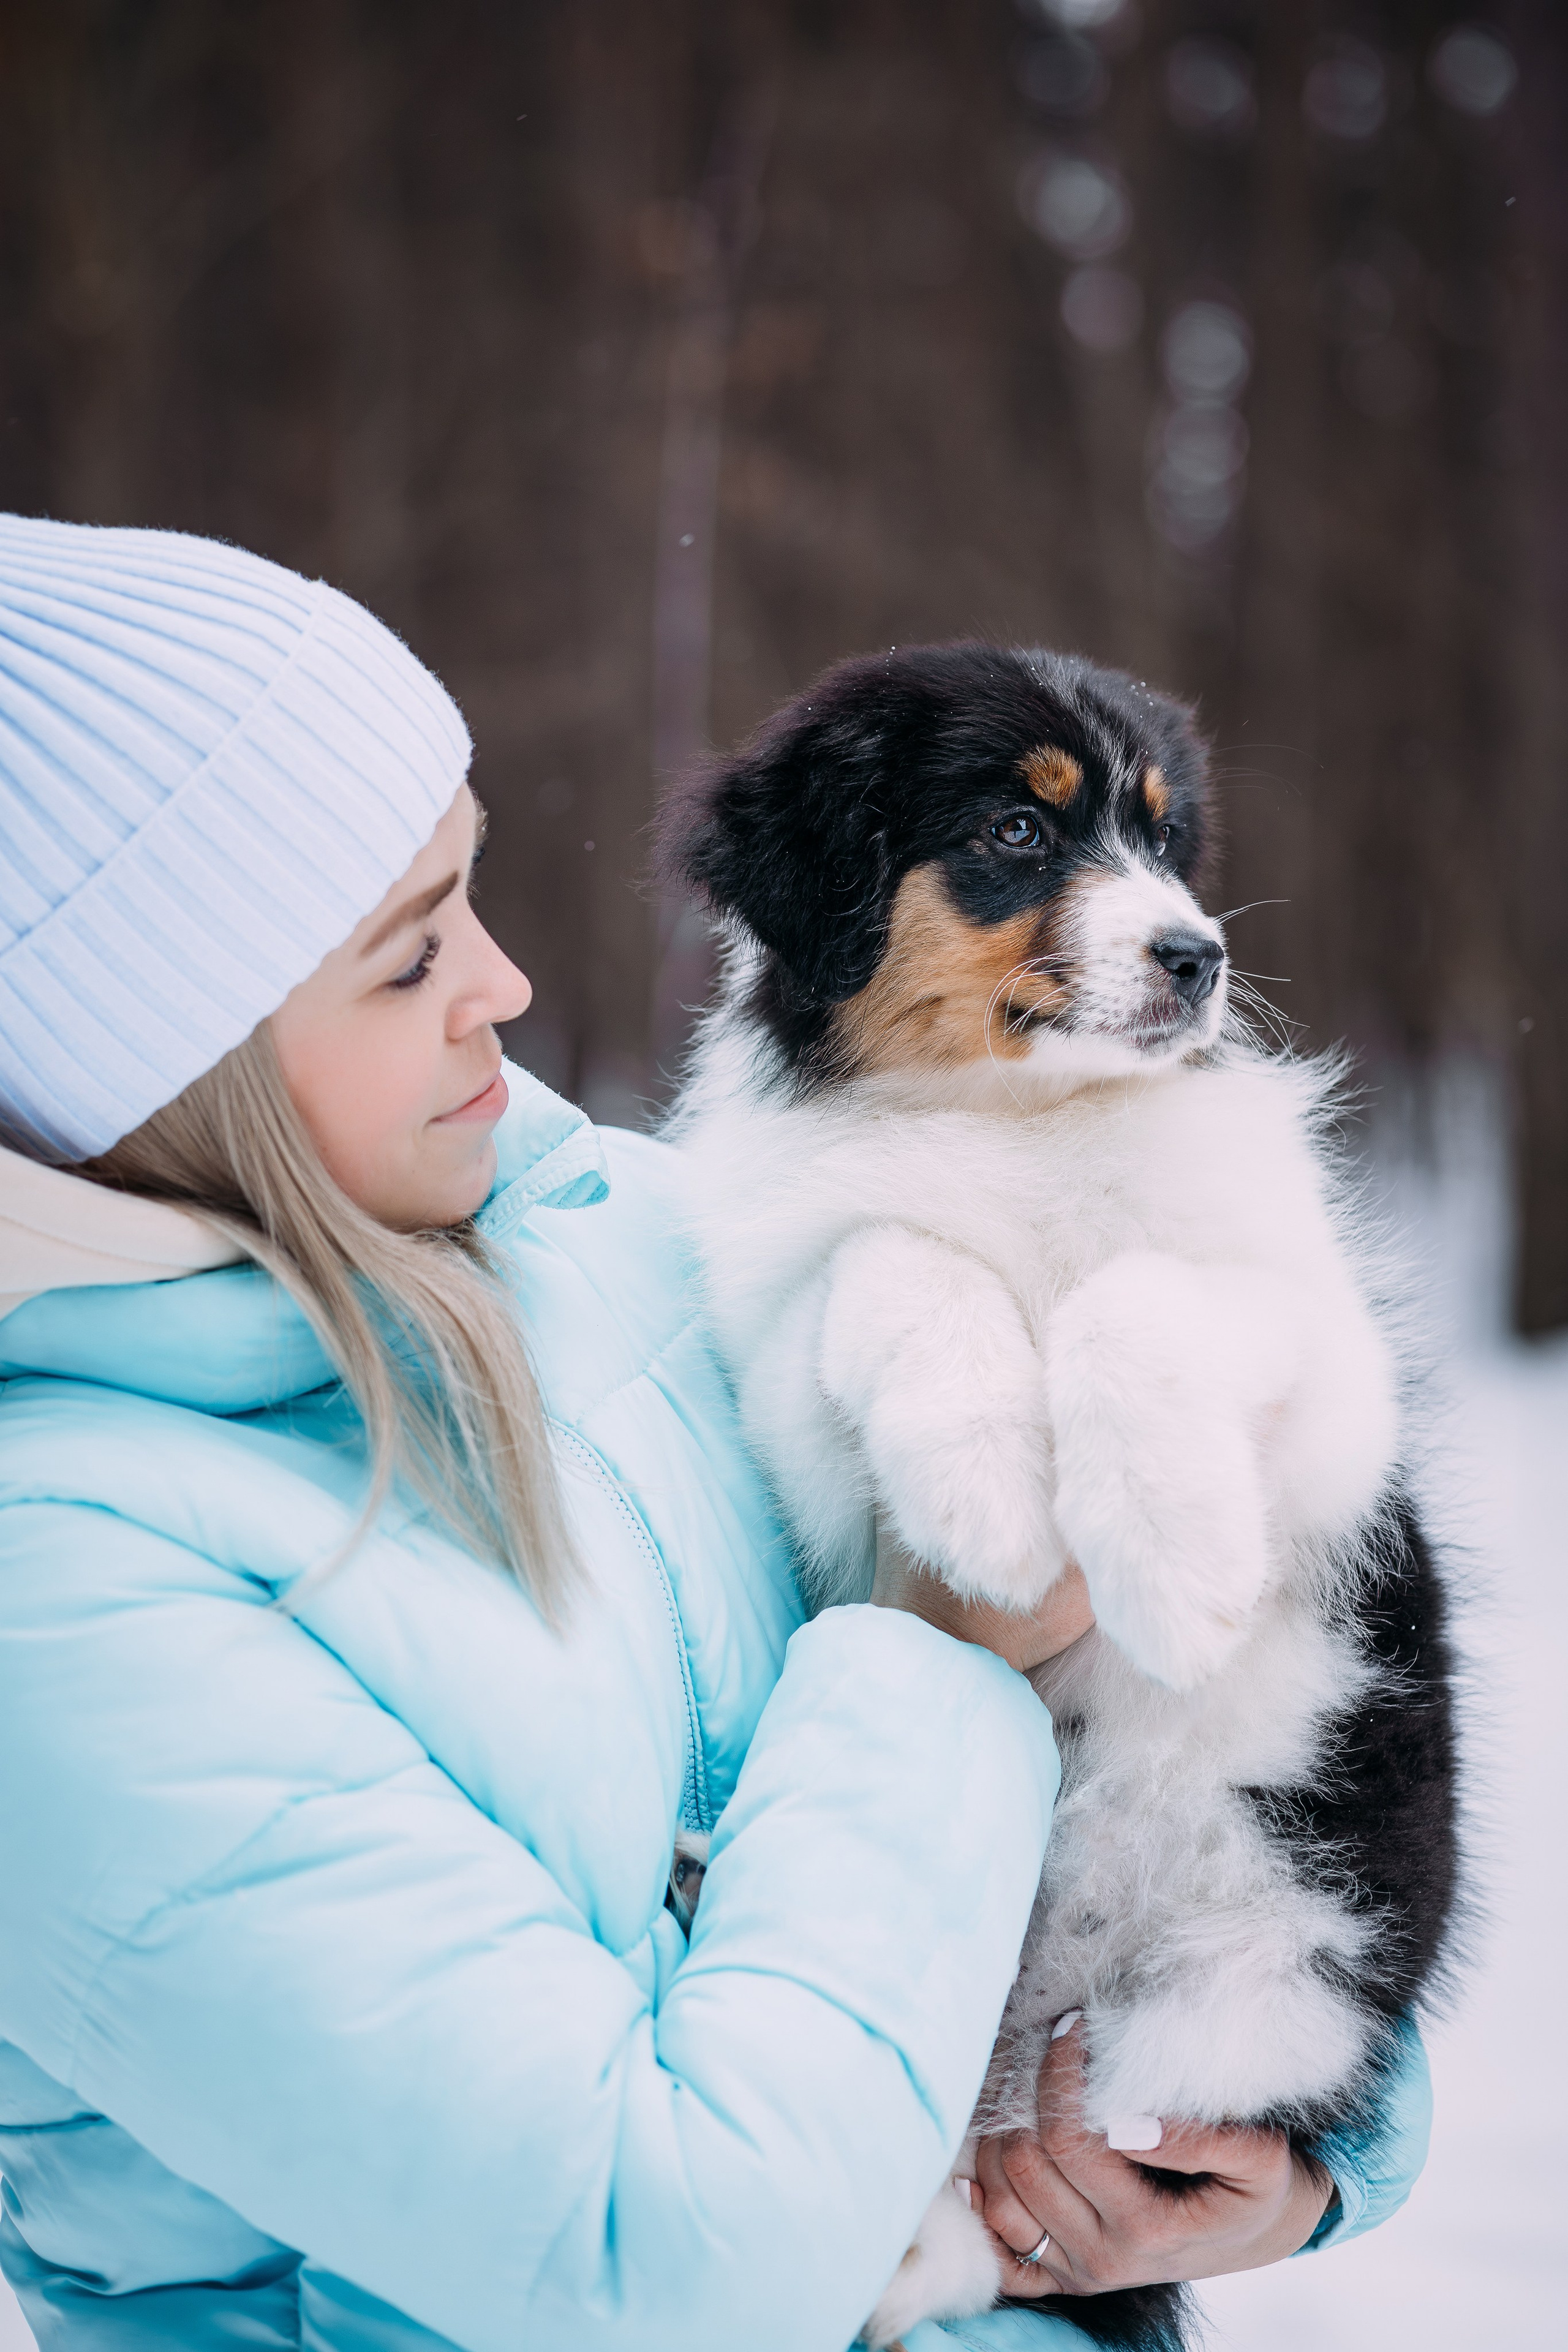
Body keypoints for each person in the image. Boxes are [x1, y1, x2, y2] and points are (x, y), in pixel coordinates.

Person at [0, 515, 1430, 2352]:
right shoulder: (63, 1614)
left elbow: (1248, 1728)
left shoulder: (622, 1229)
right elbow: (662, 2267)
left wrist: (1307, 2154)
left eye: (472, 891)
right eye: (407, 956)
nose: (507, 987)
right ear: (162, 1052)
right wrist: (945, 1656)